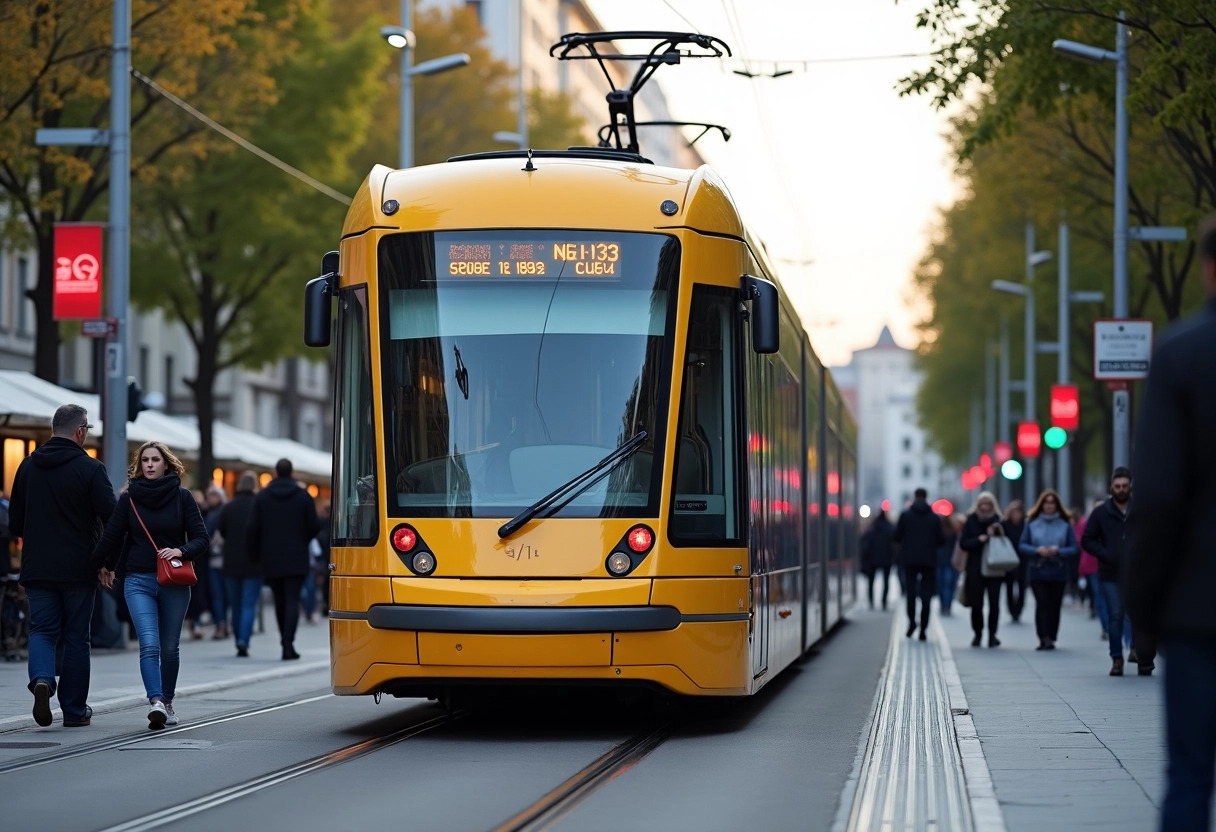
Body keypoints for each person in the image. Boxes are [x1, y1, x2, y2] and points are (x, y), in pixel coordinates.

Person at [1125, 213, 1216, 832]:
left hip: (1200, 609)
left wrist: (1142, 611)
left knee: (1189, 776)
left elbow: (1156, 500)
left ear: (1208, 269)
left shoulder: (1183, 355)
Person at [7, 404, 116, 728]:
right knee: (75, 637)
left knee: (41, 630)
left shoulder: (27, 467)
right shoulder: (91, 469)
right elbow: (113, 520)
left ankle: (42, 680)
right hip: (80, 569)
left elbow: (15, 523)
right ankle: (73, 709)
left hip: (38, 567)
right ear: (81, 430)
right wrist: (106, 562)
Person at [93, 441, 208, 730]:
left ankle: (168, 702)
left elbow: (201, 539)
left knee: (170, 648)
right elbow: (112, 537)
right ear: (139, 465)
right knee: (149, 644)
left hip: (174, 582)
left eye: (156, 459)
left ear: (166, 464)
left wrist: (181, 550)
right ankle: (155, 701)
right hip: (138, 581)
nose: (150, 464)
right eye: (145, 460)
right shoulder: (129, 499)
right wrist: (97, 564)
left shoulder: (183, 497)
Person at [1083, 468, 1153, 675]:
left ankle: (1141, 653)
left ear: (1130, 486)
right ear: (1111, 487)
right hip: (1110, 573)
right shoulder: (1101, 513)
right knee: (1115, 615)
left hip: (1137, 572)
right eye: (1117, 486)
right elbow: (1087, 539)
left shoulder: (1141, 510)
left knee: (1140, 615)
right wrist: (1105, 554)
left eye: (1124, 486)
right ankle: (1116, 658)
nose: (1121, 490)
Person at [247, 459, 319, 660]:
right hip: (296, 556)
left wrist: (256, 555)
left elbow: (253, 528)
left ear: (276, 473)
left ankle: (284, 640)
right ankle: (289, 643)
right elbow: (314, 525)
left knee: (279, 600)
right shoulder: (303, 496)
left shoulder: (263, 497)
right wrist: (302, 540)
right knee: (292, 600)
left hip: (272, 557)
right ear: (292, 472)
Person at [1018, 489, 1078, 651]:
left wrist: (1058, 550)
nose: (1049, 506)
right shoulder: (1031, 523)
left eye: (1052, 502)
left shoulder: (1065, 525)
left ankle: (1052, 636)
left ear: (1056, 505)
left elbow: (1074, 548)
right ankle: (1043, 637)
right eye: (1046, 502)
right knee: (1042, 603)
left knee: (1054, 604)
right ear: (1041, 504)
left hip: (1058, 570)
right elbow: (1022, 545)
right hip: (1038, 569)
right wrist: (1037, 551)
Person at [217, 471, 262, 657]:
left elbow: (222, 530)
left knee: (234, 604)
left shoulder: (229, 507)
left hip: (231, 561)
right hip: (254, 562)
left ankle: (237, 639)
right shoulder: (258, 506)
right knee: (248, 604)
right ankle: (244, 639)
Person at [893, 488, 945, 640]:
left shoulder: (905, 515)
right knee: (926, 596)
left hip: (909, 560)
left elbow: (896, 537)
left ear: (915, 497)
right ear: (926, 497)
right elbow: (941, 540)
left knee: (910, 593)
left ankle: (911, 623)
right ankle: (923, 628)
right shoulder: (934, 518)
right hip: (929, 560)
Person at [959, 491, 1006, 648]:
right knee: (976, 604)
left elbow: (1008, 542)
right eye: (982, 504)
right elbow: (963, 543)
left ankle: (993, 634)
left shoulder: (999, 521)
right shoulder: (970, 521)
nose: (985, 507)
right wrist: (979, 539)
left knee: (994, 603)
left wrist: (997, 533)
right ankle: (978, 633)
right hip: (975, 568)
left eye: (988, 504)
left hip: (995, 568)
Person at [202, 487, 229, 640]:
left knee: (219, 594)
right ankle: (222, 624)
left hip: (218, 557)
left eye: (213, 495)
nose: (210, 499)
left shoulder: (218, 513)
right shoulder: (211, 513)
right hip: (217, 557)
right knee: (220, 594)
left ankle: (221, 624)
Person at [859, 510, 895, 611]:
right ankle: (884, 601)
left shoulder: (871, 529)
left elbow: (865, 545)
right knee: (886, 581)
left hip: (872, 560)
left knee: (871, 581)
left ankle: (871, 601)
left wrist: (864, 559)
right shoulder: (890, 529)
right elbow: (894, 545)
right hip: (886, 559)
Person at [1001, 500, 1027, 623]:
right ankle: (1011, 610)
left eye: (1018, 512)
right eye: (1014, 512)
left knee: (1022, 586)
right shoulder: (1005, 525)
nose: (1016, 515)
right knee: (1009, 586)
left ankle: (1019, 609)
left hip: (1023, 559)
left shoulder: (1026, 525)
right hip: (1008, 559)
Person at [936, 513, 961, 616]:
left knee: (942, 585)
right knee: (948, 585)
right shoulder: (954, 532)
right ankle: (947, 606)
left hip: (941, 560)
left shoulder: (939, 531)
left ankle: (944, 606)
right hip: (950, 560)